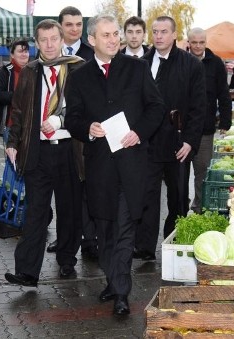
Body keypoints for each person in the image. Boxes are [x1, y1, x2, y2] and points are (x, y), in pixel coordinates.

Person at [65, 14, 164, 315]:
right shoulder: (79, 76)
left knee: (124, 226)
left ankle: (121, 292)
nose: (112, 40)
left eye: (115, 34)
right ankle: (112, 279)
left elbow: (156, 106)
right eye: (105, 35)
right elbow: (73, 118)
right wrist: (88, 129)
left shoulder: (137, 68)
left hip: (132, 163)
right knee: (104, 227)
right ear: (91, 40)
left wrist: (140, 132)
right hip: (99, 166)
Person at [4, 19, 85, 287]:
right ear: (36, 43)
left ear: (62, 40)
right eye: (43, 40)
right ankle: (28, 271)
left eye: (54, 39)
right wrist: (13, 142)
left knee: (69, 209)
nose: (49, 45)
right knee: (35, 212)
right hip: (37, 152)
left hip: (68, 151)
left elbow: (83, 111)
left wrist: (61, 122)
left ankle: (66, 260)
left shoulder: (78, 69)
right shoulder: (29, 72)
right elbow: (17, 110)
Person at [135, 16, 206, 260]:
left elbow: (199, 107)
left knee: (177, 198)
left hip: (178, 143)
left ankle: (173, 243)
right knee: (147, 195)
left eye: (164, 31)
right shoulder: (142, 63)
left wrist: (190, 141)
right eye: (155, 31)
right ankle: (144, 247)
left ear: (175, 35)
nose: (158, 36)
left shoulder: (191, 65)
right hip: (148, 143)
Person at [47, 6, 98, 261]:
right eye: (69, 25)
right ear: (60, 26)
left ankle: (90, 241)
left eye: (78, 24)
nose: (74, 29)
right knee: (63, 192)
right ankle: (65, 238)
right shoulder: (49, 53)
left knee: (86, 188)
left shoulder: (90, 54)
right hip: (56, 137)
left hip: (82, 131)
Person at [186, 27, 232, 214]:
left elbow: (224, 94)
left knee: (202, 171)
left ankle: (199, 207)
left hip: (205, 128)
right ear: (188, 42)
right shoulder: (181, 61)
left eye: (201, 42)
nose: (198, 46)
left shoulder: (216, 63)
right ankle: (181, 205)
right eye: (194, 42)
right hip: (182, 127)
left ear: (206, 42)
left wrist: (225, 122)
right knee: (179, 174)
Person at [0, 39, 30, 136]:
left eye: (26, 51)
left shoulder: (35, 71)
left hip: (31, 125)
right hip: (10, 126)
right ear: (12, 54)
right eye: (20, 51)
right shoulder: (3, 73)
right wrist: (20, 96)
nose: (24, 54)